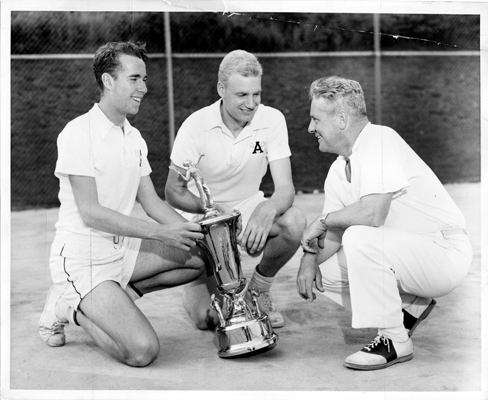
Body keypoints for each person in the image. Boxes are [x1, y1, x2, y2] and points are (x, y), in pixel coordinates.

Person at [38, 41, 210, 367]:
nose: (144, 88)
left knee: (199, 258)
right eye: (135, 79)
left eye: (144, 79)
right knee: (142, 351)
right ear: (108, 81)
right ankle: (69, 307)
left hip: (121, 255)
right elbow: (91, 213)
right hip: (83, 259)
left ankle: (114, 300)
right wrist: (161, 235)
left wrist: (197, 231)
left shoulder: (133, 137)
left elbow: (151, 202)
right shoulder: (78, 133)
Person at [297, 76, 472, 371]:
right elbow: (333, 235)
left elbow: (372, 214)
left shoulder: (379, 139)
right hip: (413, 255)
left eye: (315, 119)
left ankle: (394, 339)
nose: (311, 128)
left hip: (444, 252)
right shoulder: (338, 170)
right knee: (321, 274)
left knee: (361, 238)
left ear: (341, 119)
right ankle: (410, 304)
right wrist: (309, 258)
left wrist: (324, 220)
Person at [165, 50, 307, 329]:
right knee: (209, 320)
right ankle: (199, 282)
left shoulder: (273, 120)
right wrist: (212, 210)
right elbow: (173, 191)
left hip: (247, 207)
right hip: (203, 219)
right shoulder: (195, 126)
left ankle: (259, 288)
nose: (251, 103)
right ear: (221, 89)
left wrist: (267, 209)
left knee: (294, 221)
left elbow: (285, 188)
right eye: (242, 95)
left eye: (257, 94)